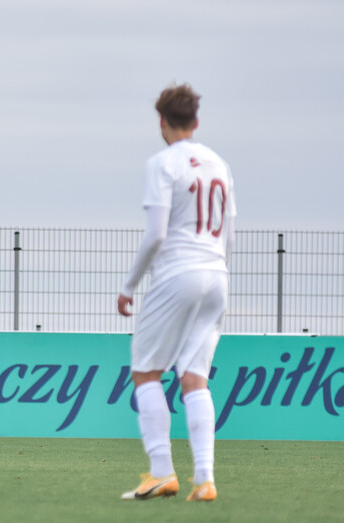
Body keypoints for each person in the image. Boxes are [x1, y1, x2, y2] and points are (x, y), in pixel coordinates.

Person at [117, 83, 236, 502]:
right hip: (217, 274)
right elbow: (229, 232)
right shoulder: (219, 164)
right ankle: (204, 479)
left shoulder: (163, 163)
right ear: (197, 121)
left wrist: (129, 286)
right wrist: (220, 271)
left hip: (179, 272)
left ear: (162, 122)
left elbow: (156, 235)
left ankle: (161, 472)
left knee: (147, 371)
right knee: (195, 378)